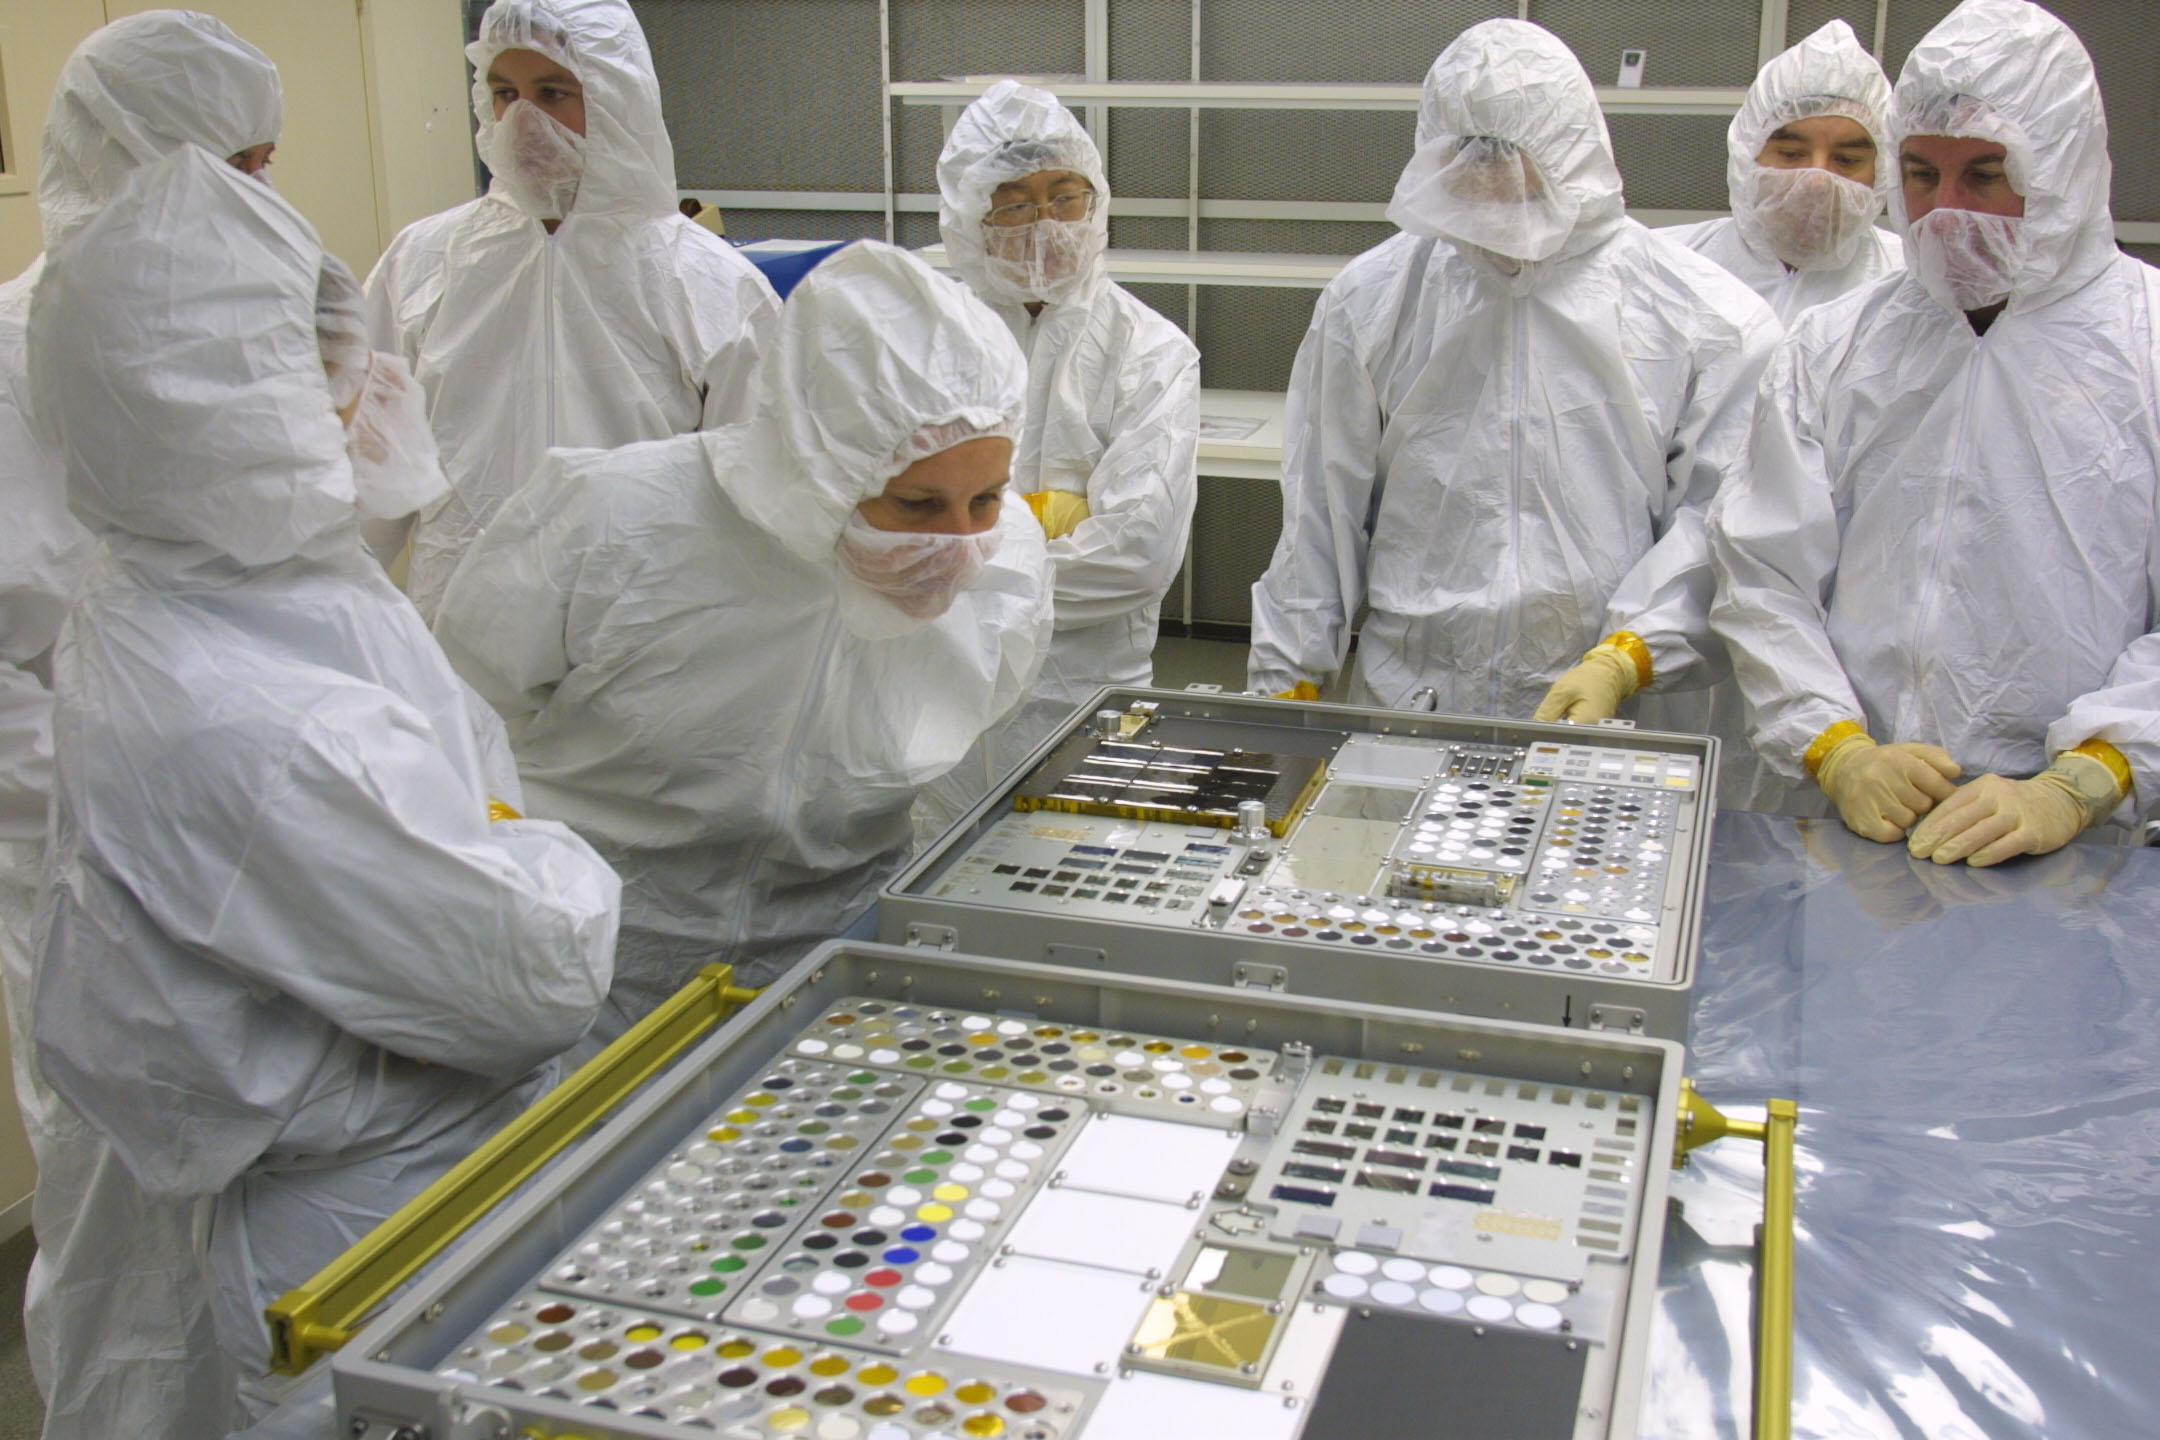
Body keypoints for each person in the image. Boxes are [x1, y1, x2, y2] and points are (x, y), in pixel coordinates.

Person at [28, 146, 620, 1432]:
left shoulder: (196, 585)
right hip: (369, 1219)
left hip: (367, 1175)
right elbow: (533, 972)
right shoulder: (261, 718)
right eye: (340, 372)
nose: (383, 390)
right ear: (234, 414)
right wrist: (529, 846)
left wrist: (478, 835)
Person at [433, 240, 1051, 1049]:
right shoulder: (613, 518)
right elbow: (464, 713)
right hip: (599, 960)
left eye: (986, 498)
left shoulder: (1006, 561)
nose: (957, 543)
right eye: (916, 504)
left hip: (830, 960)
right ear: (819, 459)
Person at [0, 14, 282, 1438]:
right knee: (113, 1186)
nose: (248, 197)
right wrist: (148, 795)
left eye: (259, 163)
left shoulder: (255, 334)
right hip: (82, 862)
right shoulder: (12, 350)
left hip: (249, 847)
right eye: (214, 166)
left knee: (259, 1192)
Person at [1707, 0, 2157, 865]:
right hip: (1854, 825)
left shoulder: (2147, 347)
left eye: (1986, 175)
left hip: (2070, 842)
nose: (1946, 211)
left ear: (2065, 166)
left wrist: (2088, 777)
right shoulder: (1840, 345)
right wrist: (1837, 748)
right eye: (1920, 173)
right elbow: (1762, 572)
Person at [1247, 20, 1778, 742]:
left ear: (1572, 150)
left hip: (1609, 711)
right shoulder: (1373, 298)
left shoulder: (1702, 317)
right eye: (1467, 154)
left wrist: (1627, 657)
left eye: (1512, 155)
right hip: (1412, 701)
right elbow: (1319, 514)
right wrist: (1288, 686)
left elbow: (1713, 523)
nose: (1492, 178)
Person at [364, 0, 779, 620]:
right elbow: (370, 469)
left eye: (553, 92)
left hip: (642, 636)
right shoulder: (423, 261)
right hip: (461, 628)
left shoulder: (707, 283)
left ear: (618, 99)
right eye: (505, 93)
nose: (522, 122)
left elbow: (761, 497)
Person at [913, 81, 1198, 837]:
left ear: (1096, 199)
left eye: (1065, 195)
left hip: (1084, 700)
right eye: (1014, 203)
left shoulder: (1150, 351)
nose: (1046, 223)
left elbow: (1135, 555)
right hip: (929, 701)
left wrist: (964, 565)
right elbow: (867, 519)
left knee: (1079, 890)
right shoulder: (921, 338)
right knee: (929, 893)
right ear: (968, 218)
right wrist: (1042, 533)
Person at [1663, 19, 1903, 326]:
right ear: (1747, 155)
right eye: (1791, 154)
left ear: (1881, 173)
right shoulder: (1672, 265)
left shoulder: (1904, 284)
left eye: (1847, 159)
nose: (1817, 181)